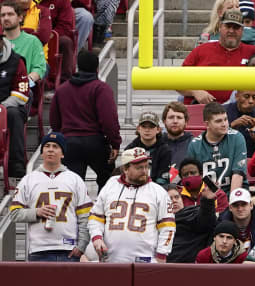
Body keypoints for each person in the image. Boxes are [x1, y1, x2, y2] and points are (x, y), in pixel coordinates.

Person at [11, 132, 92, 262]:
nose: (50, 149)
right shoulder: (28, 180)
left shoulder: (75, 179)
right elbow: (14, 213)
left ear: (63, 153)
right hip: (38, 250)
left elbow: (85, 216)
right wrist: (36, 212)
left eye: (55, 146)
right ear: (42, 152)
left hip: (69, 250)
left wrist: (81, 246)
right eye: (47, 146)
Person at [88, 147, 174, 263]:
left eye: (146, 166)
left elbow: (168, 227)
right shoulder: (111, 185)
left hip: (146, 261)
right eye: (139, 168)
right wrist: (97, 238)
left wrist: (162, 254)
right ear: (125, 169)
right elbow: (96, 217)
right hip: (110, 260)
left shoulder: (158, 192)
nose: (144, 171)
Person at [48, 48, 117, 185]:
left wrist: (62, 138)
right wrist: (115, 143)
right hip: (96, 142)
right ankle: (104, 206)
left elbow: (54, 120)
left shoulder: (62, 89)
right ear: (97, 68)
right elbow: (109, 120)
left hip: (70, 143)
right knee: (108, 181)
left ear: (78, 66)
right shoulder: (101, 89)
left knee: (73, 185)